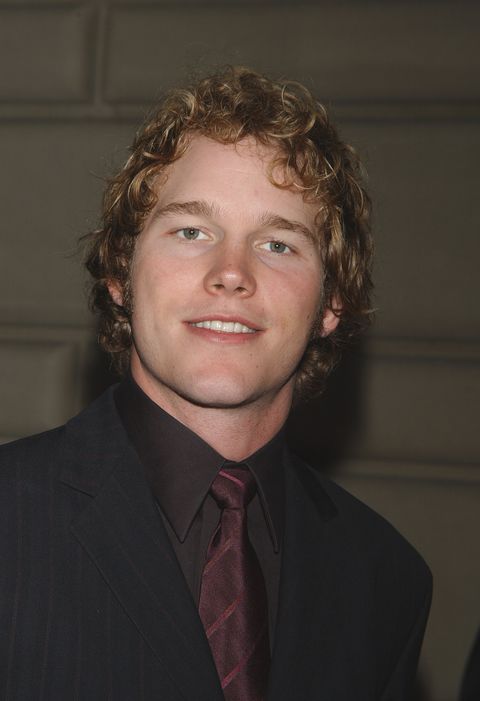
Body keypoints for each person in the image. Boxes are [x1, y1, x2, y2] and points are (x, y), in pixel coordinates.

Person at [0, 67, 431, 700]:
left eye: (278, 244)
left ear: (331, 302)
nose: (231, 273)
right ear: (120, 273)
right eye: (191, 231)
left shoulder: (385, 578)